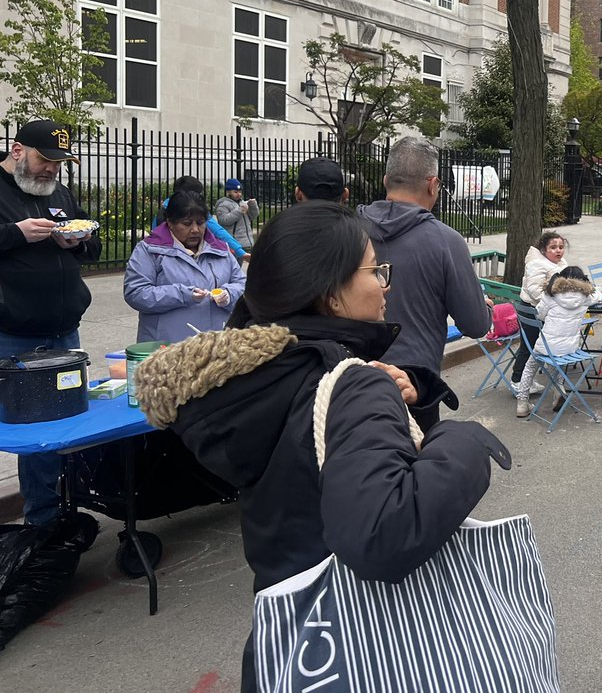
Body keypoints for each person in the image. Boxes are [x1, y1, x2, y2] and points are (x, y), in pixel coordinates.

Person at [134, 201, 510, 693]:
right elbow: (384, 534)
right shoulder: (351, 384)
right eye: (376, 270)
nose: (385, 283)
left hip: (286, 647)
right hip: (366, 651)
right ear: (332, 294)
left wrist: (409, 389)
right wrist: (461, 439)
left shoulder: (253, 375)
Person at [0, 120, 101, 525]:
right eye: (46, 160)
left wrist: (79, 241)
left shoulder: (58, 192)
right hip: (14, 333)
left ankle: (66, 510)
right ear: (18, 150)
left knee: (70, 424)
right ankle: (42, 522)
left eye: (59, 163)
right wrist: (16, 234)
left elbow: (92, 244)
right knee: (35, 434)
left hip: (64, 329)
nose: (52, 170)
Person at [360, 136, 492, 373]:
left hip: (351, 376)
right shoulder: (446, 241)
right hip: (416, 381)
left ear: (385, 181)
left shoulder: (348, 229)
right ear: (433, 185)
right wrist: (486, 308)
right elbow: (475, 324)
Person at [123, 191, 245, 343]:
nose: (195, 230)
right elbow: (136, 293)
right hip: (167, 347)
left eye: (200, 223)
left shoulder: (220, 250)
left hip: (215, 347)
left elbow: (243, 286)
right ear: (170, 223)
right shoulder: (149, 250)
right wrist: (182, 294)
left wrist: (229, 295)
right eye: (187, 224)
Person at [514, 265, 601, 417]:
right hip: (570, 349)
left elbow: (540, 315)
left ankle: (522, 403)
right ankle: (559, 392)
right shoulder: (586, 298)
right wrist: (592, 288)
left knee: (530, 367)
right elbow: (598, 295)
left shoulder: (551, 296)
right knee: (556, 361)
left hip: (546, 346)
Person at [510, 230, 570, 386]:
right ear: (543, 250)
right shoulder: (536, 264)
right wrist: (556, 300)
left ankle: (526, 379)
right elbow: (535, 290)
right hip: (532, 310)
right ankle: (517, 380)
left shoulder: (561, 263)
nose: (558, 250)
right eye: (553, 247)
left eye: (561, 247)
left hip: (548, 311)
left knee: (537, 345)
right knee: (529, 346)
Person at [154, 176, 246, 259]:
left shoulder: (163, 210)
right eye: (187, 223)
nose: (195, 230)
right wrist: (240, 251)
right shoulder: (196, 211)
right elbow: (218, 231)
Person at [215, 178, 258, 251]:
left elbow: (252, 216)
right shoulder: (223, 205)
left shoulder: (242, 203)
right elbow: (224, 220)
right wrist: (239, 210)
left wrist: (253, 206)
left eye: (240, 192)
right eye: (235, 192)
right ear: (228, 192)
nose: (239, 194)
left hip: (247, 243)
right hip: (234, 244)